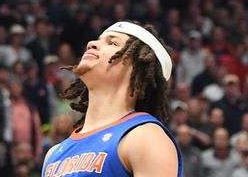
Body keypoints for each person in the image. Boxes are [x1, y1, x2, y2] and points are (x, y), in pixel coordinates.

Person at [42, 21, 182, 177]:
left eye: (112, 42)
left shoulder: (145, 137)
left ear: (137, 68)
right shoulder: (53, 154)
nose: (92, 44)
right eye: (98, 39)